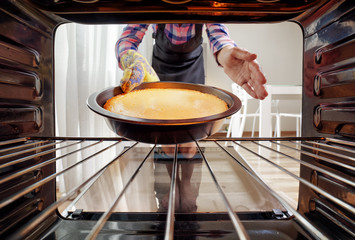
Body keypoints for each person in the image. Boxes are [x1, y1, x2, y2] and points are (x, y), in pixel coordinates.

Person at [116, 24, 268, 99]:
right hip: (161, 70)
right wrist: (131, 59)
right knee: (165, 132)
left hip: (193, 70)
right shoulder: (151, 3)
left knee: (190, 141)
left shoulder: (206, 3)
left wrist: (227, 53)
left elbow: (218, 34)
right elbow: (127, 39)